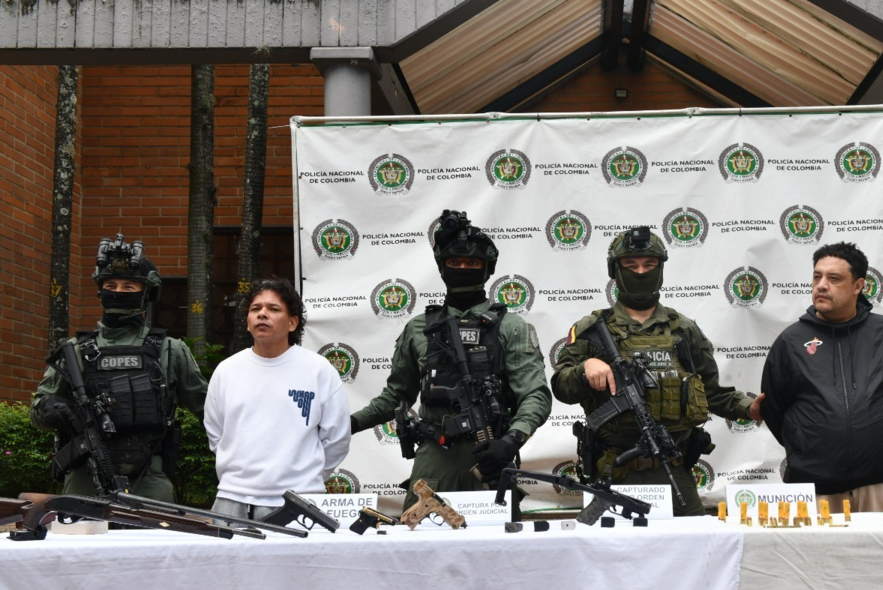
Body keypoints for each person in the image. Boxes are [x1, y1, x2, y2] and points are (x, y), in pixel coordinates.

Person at [552, 226, 762, 517]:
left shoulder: (683, 329)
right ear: (616, 270)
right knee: (605, 554)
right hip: (614, 470)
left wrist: (749, 408)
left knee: (696, 545)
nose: (641, 272)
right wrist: (584, 369)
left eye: (649, 265)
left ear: (661, 268)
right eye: (631, 265)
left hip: (672, 466)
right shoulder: (592, 329)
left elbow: (712, 392)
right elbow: (561, 387)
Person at [350, 210, 551, 509]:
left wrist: (509, 442)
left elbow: (535, 396)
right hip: (435, 458)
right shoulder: (419, 328)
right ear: (442, 267)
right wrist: (347, 424)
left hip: (490, 457)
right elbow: (395, 396)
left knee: (498, 548)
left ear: (487, 269)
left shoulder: (512, 328)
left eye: (473, 263)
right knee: (418, 544)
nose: (463, 268)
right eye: (454, 263)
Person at [30, 234, 208, 503]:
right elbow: (38, 410)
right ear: (100, 290)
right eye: (110, 285)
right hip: (84, 477)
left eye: (129, 286)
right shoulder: (74, 350)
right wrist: (53, 410)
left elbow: (209, 411)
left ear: (146, 292)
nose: (118, 292)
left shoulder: (170, 349)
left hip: (148, 480)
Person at [759, 241, 883, 512]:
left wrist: (875, 430)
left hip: (878, 485)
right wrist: (805, 440)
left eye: (834, 278)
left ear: (858, 286)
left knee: (880, 554)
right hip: (814, 488)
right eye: (817, 277)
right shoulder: (791, 341)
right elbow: (774, 409)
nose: (821, 285)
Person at [204, 278, 351, 519]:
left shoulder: (318, 370)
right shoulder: (227, 370)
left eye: (273, 309)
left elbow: (337, 439)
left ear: (293, 323)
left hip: (299, 500)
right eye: (255, 309)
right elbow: (216, 433)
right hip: (232, 500)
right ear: (248, 322)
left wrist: (306, 476)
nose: (262, 314)